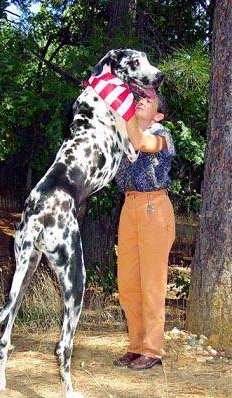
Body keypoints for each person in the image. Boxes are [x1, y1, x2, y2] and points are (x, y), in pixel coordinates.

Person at [113, 93, 176, 370]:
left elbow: (141, 143)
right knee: (128, 284)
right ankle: (136, 346)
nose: (140, 101)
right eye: (139, 98)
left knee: (151, 285)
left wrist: (123, 113)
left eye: (148, 101)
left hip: (154, 208)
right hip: (130, 206)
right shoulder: (126, 130)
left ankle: (152, 349)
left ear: (158, 115)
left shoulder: (162, 136)